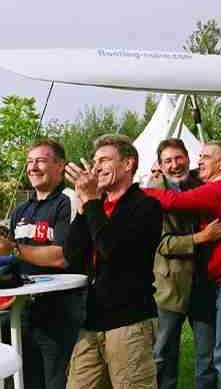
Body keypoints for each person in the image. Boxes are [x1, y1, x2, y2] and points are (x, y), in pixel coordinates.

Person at [144, 141, 221, 389]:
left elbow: (175, 202)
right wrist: (201, 237)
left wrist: (135, 191)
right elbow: (159, 243)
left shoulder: (216, 187)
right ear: (160, 166)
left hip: (220, 282)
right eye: (167, 161)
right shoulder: (163, 189)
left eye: (181, 158)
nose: (176, 165)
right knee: (166, 353)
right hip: (173, 287)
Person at [64, 134, 162, 389]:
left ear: (128, 164)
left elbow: (112, 250)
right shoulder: (96, 206)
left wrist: (93, 202)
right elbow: (72, 257)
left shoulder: (145, 206)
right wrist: (84, 205)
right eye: (95, 161)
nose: (96, 167)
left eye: (104, 160)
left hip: (129, 320)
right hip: (93, 319)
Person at [0, 139, 85, 389]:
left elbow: (63, 256)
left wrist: (14, 248)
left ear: (60, 166)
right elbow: (14, 260)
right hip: (24, 311)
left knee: (56, 382)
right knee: (26, 379)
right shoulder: (20, 210)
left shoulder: (69, 201)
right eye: (29, 162)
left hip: (61, 311)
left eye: (41, 161)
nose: (33, 167)